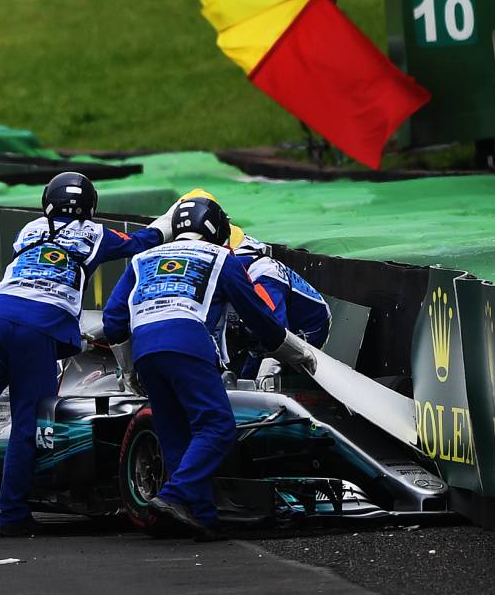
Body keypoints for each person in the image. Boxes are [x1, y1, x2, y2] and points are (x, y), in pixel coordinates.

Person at [0, 171, 176, 536]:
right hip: (40, 326)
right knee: (29, 422)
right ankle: (13, 514)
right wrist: (176, 214)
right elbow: (143, 240)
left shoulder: (29, 229)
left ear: (47, 202)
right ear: (90, 207)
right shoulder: (94, 234)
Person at [102, 197, 315, 540]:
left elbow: (113, 319)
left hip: (144, 347)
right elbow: (258, 315)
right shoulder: (221, 257)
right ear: (216, 229)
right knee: (217, 427)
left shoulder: (142, 259)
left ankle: (198, 515)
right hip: (188, 341)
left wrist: (128, 368)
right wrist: (295, 351)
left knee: (175, 435)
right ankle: (173, 496)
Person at [231, 231, 331, 385]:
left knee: (266, 375)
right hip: (270, 321)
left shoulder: (263, 276)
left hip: (307, 328)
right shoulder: (243, 260)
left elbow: (274, 329)